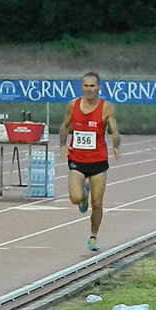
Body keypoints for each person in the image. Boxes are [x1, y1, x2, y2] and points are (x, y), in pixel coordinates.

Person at [59, 72, 120, 251]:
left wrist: (116, 145)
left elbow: (114, 129)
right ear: (82, 87)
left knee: (98, 203)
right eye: (86, 85)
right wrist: (62, 145)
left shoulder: (106, 107)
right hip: (77, 159)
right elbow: (65, 125)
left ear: (99, 87)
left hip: (98, 161)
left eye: (92, 86)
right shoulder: (73, 105)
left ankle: (93, 236)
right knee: (75, 198)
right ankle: (83, 193)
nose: (89, 89)